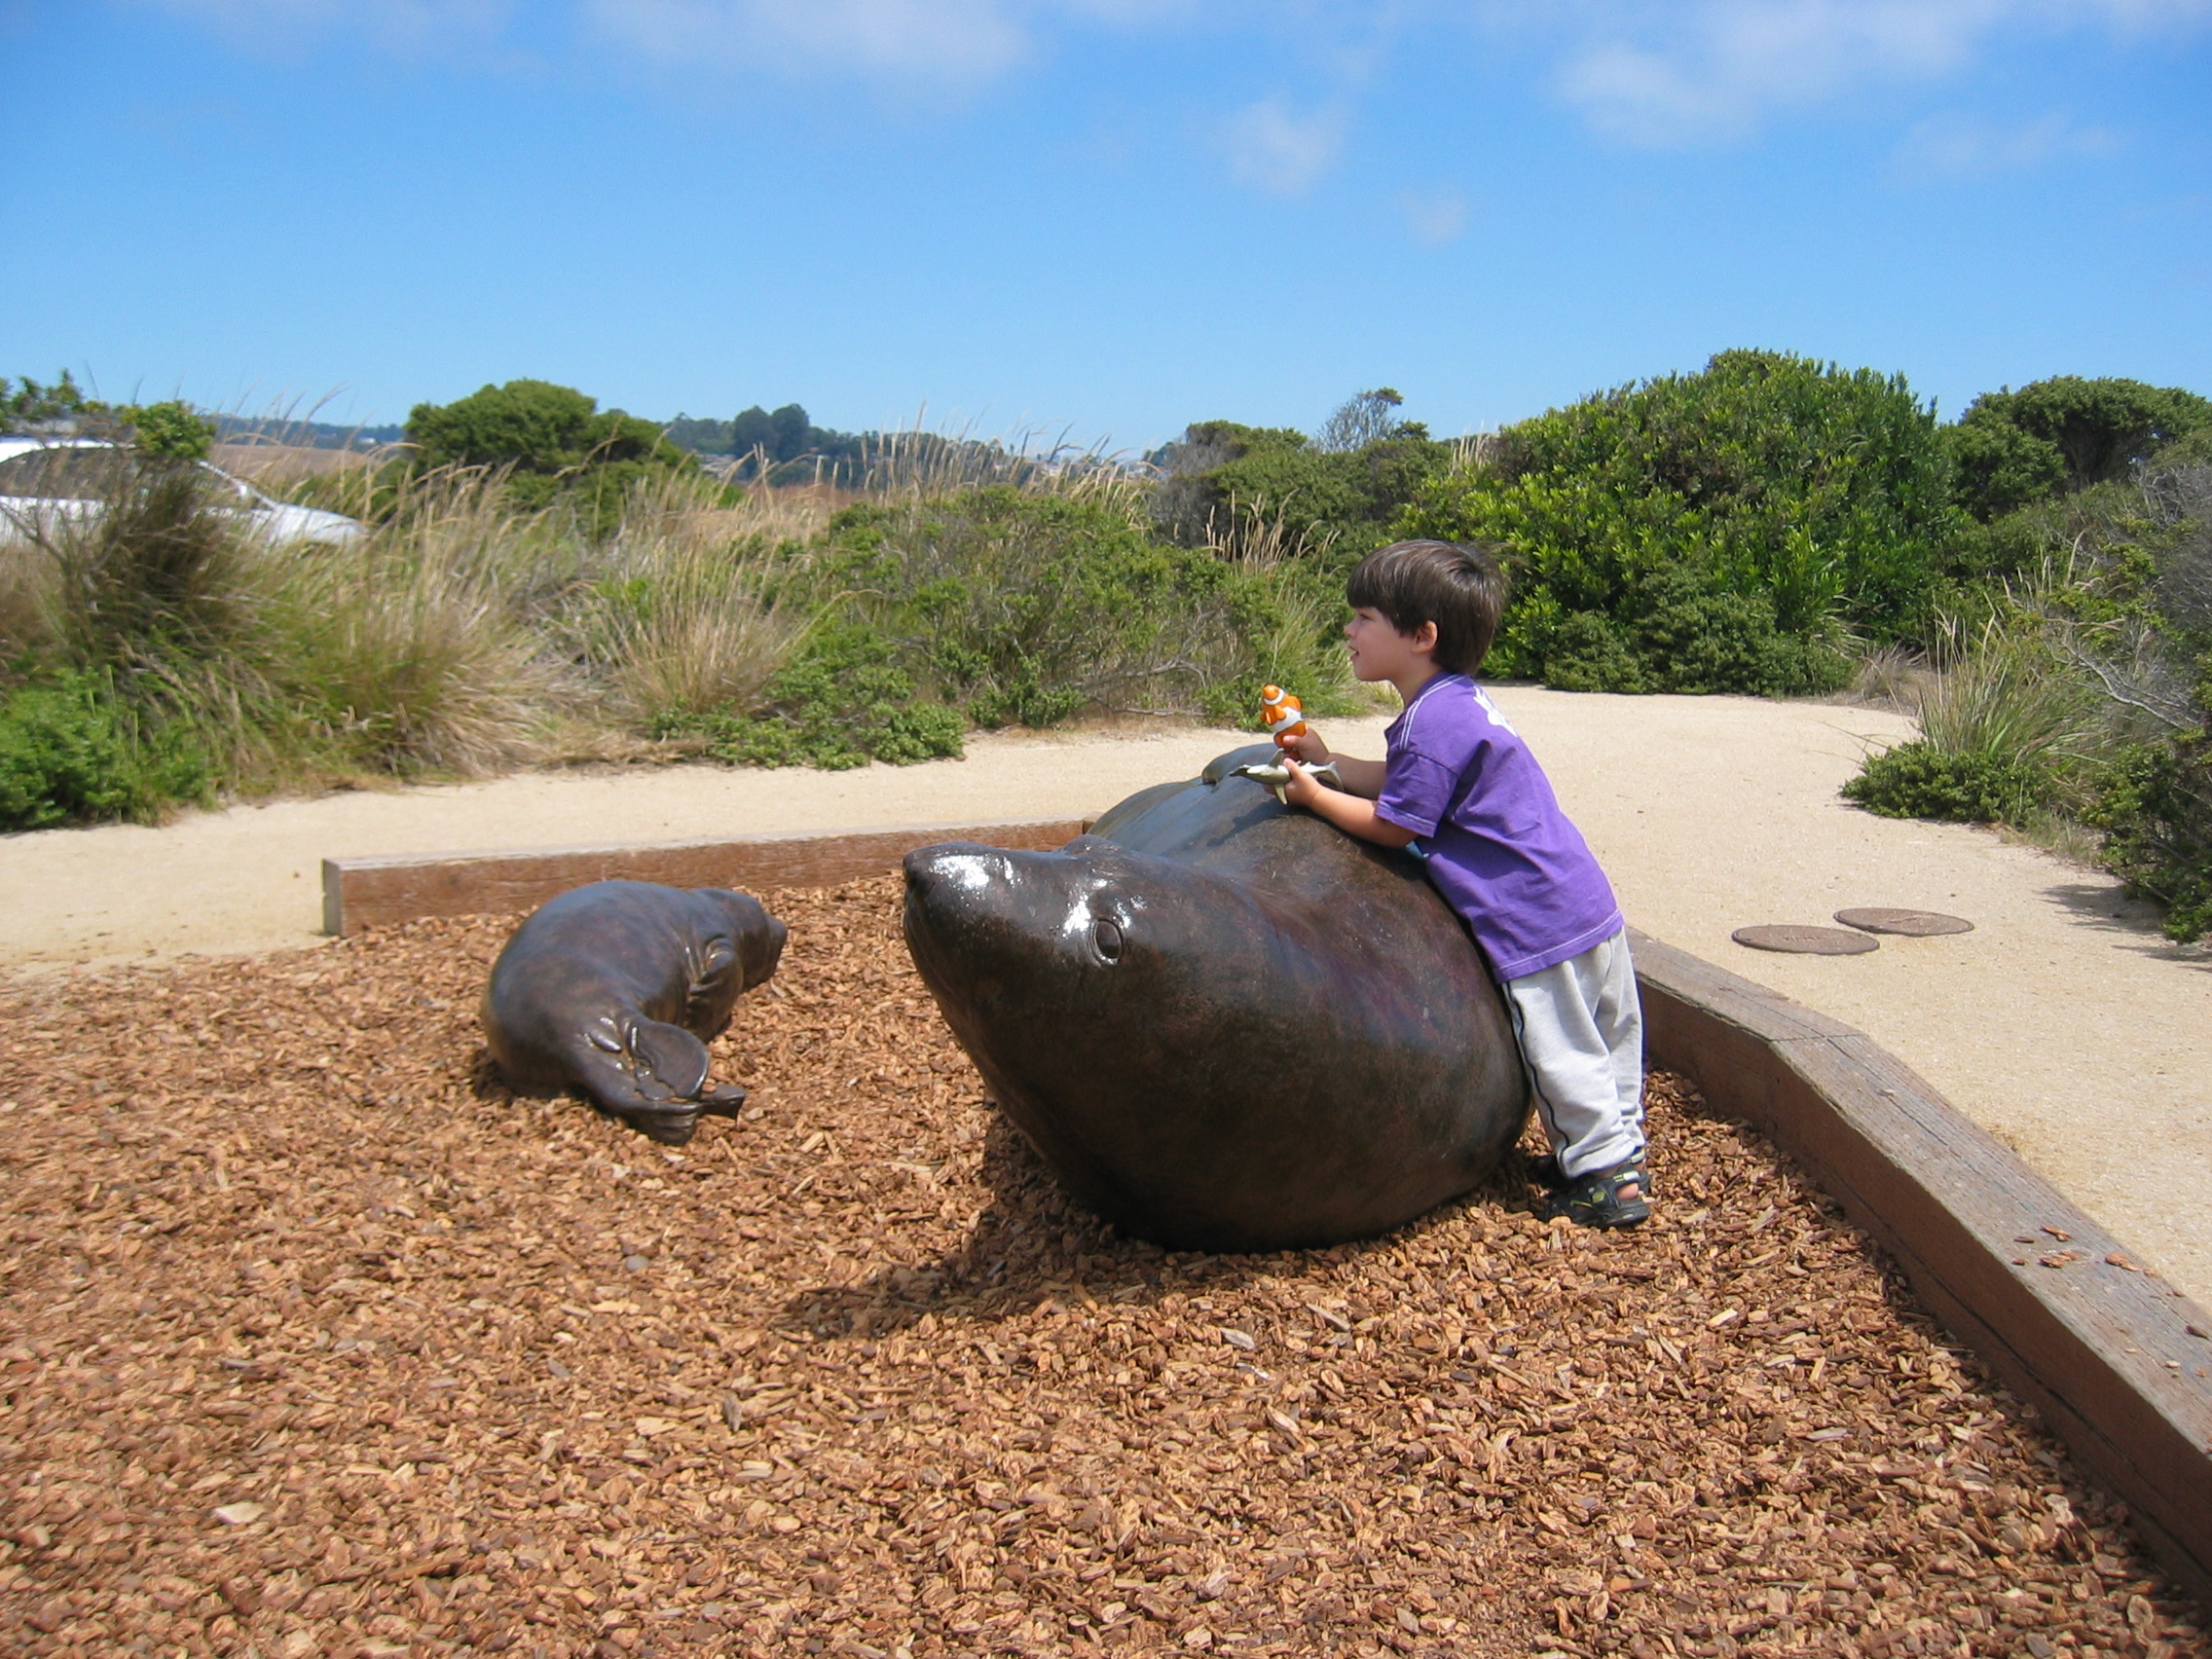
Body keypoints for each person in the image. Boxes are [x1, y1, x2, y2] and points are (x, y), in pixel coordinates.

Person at [1277, 538, 1649, 1229]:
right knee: (1608, 1036)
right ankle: (1618, 1152)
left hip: (1528, 919)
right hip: (1578, 898)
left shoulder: (1429, 722)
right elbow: (1409, 783)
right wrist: (1330, 763)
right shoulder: (1458, 703)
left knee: (1560, 1050)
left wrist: (1314, 798)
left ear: (1422, 636)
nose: (1349, 631)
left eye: (1364, 618)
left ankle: (1605, 1180)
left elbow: (1396, 825)